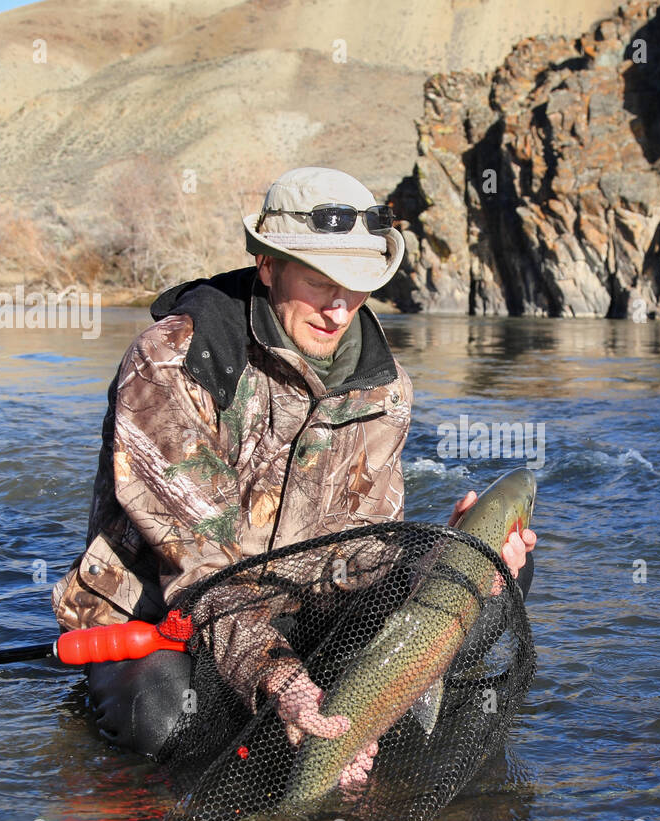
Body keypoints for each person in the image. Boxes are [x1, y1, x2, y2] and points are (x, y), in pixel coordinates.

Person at [52, 166, 536, 788]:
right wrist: (281, 679)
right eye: (320, 282)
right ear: (268, 265)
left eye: (358, 286)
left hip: (295, 604)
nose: (339, 309)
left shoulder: (384, 389)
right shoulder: (173, 362)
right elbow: (204, 576)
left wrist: (430, 561)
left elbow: (360, 549)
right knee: (170, 722)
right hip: (162, 612)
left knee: (492, 577)